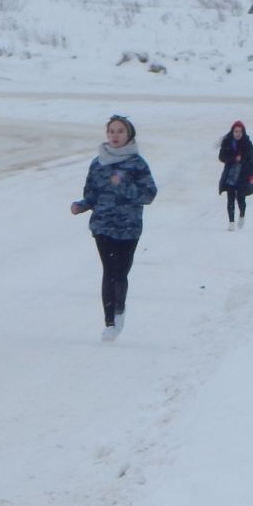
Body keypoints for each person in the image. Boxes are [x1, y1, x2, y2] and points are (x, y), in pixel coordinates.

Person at [70, 114, 158, 341]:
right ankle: (110, 321)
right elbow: (91, 194)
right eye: (111, 131)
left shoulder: (137, 163)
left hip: (128, 228)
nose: (115, 135)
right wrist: (81, 206)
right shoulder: (97, 163)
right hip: (103, 226)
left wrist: (125, 187)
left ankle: (119, 308)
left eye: (120, 131)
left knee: (121, 272)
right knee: (109, 271)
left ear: (129, 135)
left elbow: (149, 194)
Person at [216, 121, 253, 229]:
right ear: (232, 132)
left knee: (241, 198)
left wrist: (252, 176)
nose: (238, 134)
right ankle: (231, 222)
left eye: (240, 132)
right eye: (236, 131)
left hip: (243, 175)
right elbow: (221, 156)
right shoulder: (227, 142)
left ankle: (242, 214)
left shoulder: (247, 143)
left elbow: (252, 160)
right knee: (230, 198)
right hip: (230, 175)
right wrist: (233, 159)